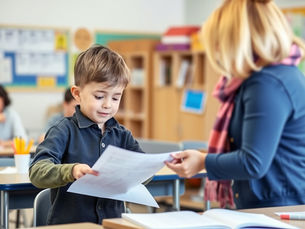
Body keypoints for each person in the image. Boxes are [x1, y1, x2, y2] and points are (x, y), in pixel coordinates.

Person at [166, 0, 305, 209]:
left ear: (236, 41)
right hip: (269, 205)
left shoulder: (267, 83)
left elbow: (253, 162)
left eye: (220, 42)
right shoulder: (277, 75)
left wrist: (204, 161)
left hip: (277, 209)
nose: (219, 51)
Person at [29, 45, 144, 225]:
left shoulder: (122, 135)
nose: (108, 105)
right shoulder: (63, 130)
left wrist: (146, 169)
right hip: (71, 225)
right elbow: (37, 171)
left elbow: (143, 169)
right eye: (99, 96)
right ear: (77, 94)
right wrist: (71, 170)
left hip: (111, 224)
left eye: (115, 98)